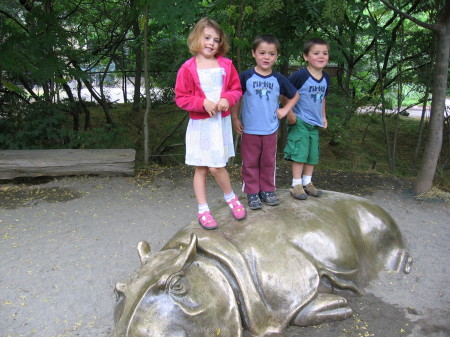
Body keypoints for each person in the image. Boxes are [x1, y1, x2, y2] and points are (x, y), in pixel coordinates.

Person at [174, 18, 246, 230]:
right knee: (202, 168)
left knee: (217, 167)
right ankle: (203, 209)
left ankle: (230, 197)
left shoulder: (226, 65)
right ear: (196, 38)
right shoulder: (187, 68)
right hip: (201, 126)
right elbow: (181, 97)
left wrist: (227, 99)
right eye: (207, 38)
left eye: (216, 39)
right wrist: (202, 102)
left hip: (219, 125)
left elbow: (236, 90)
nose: (211, 43)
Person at [231, 35, 299, 210]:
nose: (266, 57)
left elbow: (295, 95)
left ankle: (268, 190)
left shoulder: (279, 78)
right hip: (250, 129)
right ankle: (252, 192)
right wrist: (235, 117)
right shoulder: (246, 76)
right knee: (250, 162)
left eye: (271, 54)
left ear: (276, 57)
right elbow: (236, 97)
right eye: (262, 53)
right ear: (254, 53)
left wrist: (285, 110)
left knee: (268, 161)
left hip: (270, 129)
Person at [284, 38, 330, 200]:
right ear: (306, 56)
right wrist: (289, 113)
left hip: (315, 123)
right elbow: (284, 92)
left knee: (312, 154)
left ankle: (307, 183)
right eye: (316, 53)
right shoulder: (300, 76)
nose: (321, 56)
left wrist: (323, 116)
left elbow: (323, 98)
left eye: (324, 53)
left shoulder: (326, 78)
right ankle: (296, 184)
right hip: (300, 120)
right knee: (300, 153)